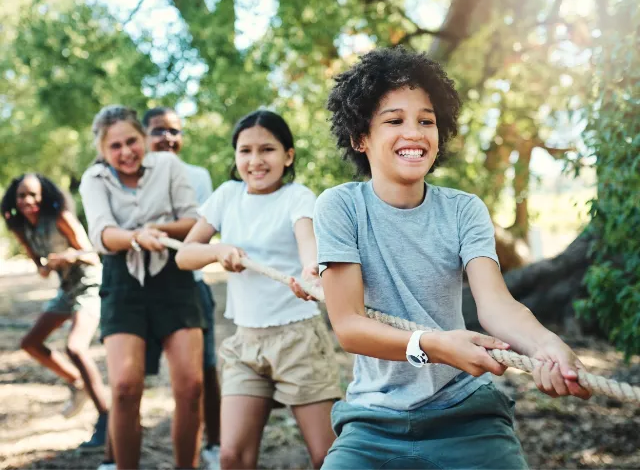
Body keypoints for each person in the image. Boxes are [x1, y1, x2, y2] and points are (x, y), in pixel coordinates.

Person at [314, 47, 592, 469]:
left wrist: (545, 344)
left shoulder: (464, 210)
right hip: (373, 422)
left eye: (426, 120)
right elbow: (349, 326)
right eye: (394, 120)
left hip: (467, 416)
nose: (415, 132)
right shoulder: (341, 207)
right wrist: (435, 346)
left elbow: (497, 306)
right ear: (360, 137)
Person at [176, 110, 342, 470]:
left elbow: (306, 239)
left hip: (298, 340)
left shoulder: (297, 196)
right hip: (246, 345)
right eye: (245, 151)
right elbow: (186, 255)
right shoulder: (227, 196)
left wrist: (310, 272)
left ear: (288, 155)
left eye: (267, 149)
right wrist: (217, 251)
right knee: (232, 457)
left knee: (326, 457)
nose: (255, 161)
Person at [79, 105, 206, 470]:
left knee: (191, 386)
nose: (126, 152)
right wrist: (136, 237)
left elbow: (193, 220)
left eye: (131, 141)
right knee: (124, 388)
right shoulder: (94, 179)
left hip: (173, 277)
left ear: (144, 139)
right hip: (122, 281)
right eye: (115, 146)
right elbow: (102, 233)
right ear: (103, 151)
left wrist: (159, 232)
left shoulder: (167, 166)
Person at [1, 174, 109, 447]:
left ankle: (107, 418)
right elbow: (39, 266)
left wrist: (66, 257)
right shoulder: (20, 227)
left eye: (34, 195)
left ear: (44, 196)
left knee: (76, 347)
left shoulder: (60, 216)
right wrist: (45, 266)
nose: (29, 201)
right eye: (22, 196)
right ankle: (77, 382)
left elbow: (92, 254)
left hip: (89, 284)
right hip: (66, 289)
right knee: (31, 343)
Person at [142, 106, 221, 469]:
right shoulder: (133, 174)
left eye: (174, 131)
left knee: (204, 371)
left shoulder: (197, 175)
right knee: (130, 378)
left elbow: (197, 230)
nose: (167, 138)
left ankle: (214, 443)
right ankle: (112, 449)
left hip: (191, 285)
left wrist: (153, 228)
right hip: (142, 289)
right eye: (158, 130)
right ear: (144, 136)